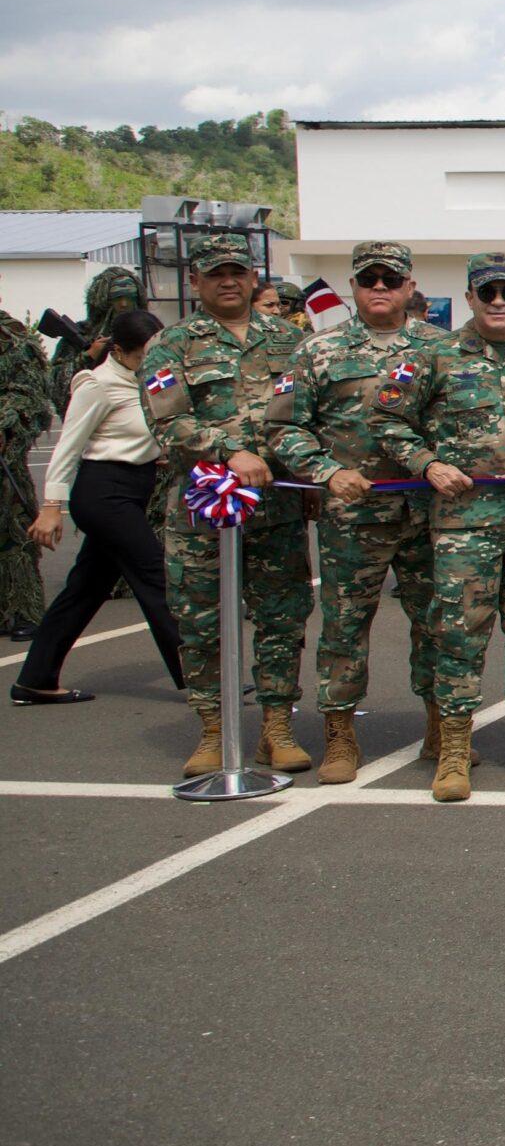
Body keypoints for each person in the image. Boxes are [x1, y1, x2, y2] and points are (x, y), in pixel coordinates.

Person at [372, 252, 505, 801]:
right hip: (464, 525)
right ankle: (452, 751)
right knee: (459, 637)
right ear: (468, 297)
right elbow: (388, 421)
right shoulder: (432, 356)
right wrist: (428, 464)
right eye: (486, 292)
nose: (497, 302)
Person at [138, 233, 313, 776]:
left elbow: (306, 415)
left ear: (254, 277)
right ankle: (213, 729)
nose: (229, 281)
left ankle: (276, 727)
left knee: (282, 618)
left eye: (238, 271)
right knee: (200, 622)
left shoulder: (290, 341)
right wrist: (229, 451)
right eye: (216, 274)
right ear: (196, 282)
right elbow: (165, 421)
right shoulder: (171, 345)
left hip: (275, 510)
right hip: (203, 511)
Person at [268, 242, 440, 783]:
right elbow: (284, 426)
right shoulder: (319, 352)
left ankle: (442, 724)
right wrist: (325, 471)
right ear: (354, 289)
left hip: (427, 513)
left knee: (437, 625)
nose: (381, 288)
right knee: (344, 629)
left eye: (392, 279)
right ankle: (340, 735)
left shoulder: (444, 348)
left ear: (411, 287)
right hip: (353, 518)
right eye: (370, 280)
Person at [14, 308, 186, 704]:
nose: (155, 359)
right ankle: (205, 678)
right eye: (146, 353)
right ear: (121, 351)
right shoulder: (97, 383)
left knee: (85, 590)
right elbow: (68, 446)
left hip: (131, 489)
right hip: (104, 492)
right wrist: (52, 504)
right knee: (156, 577)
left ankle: (36, 678)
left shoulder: (151, 380)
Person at [0, 310, 47, 639]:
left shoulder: (14, 342)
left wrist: (5, 420)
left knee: (13, 532)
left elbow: (28, 394)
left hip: (5, 456)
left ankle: (23, 611)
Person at [46, 265, 144, 416]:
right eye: (117, 298)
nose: (124, 304)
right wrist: (89, 355)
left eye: (129, 298)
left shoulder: (147, 334)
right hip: (92, 415)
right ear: (103, 302)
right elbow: (56, 384)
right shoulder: (80, 335)